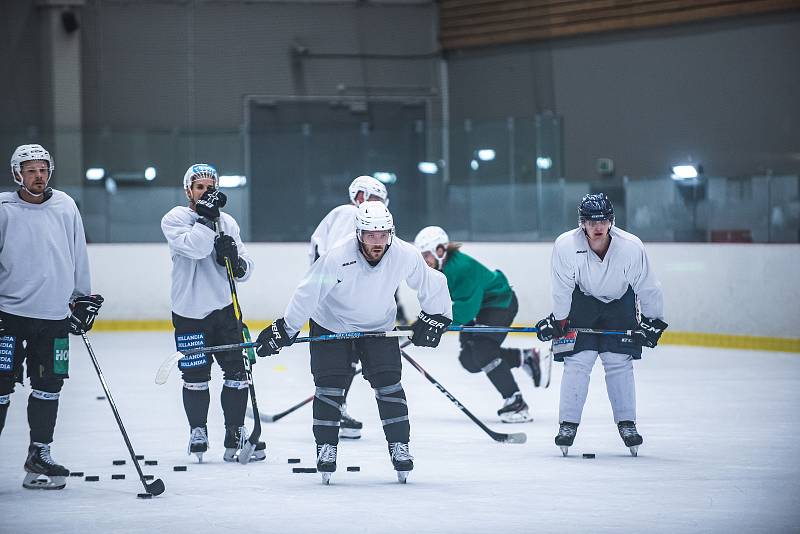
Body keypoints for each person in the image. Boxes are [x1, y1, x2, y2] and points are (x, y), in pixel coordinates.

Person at [256, 201, 452, 484]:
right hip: (331, 324)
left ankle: (400, 448)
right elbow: (308, 291)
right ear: (358, 233)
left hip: (378, 326)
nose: (378, 241)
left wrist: (436, 316)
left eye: (383, 234)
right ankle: (326, 447)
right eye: (371, 235)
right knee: (329, 388)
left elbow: (432, 282)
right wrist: (286, 328)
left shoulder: (403, 254)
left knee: (390, 386)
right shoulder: (337, 257)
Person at [0, 144, 103, 490]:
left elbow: (77, 253)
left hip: (54, 315)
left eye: (42, 169)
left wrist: (82, 298)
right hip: (8, 315)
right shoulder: (2, 208)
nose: (38, 176)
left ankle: (39, 456)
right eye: (30, 170)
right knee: (0, 387)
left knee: (49, 386)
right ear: (18, 174)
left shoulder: (65, 205)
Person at [535, 193, 667, 456]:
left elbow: (648, 287)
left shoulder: (631, 247)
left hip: (620, 302)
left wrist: (653, 321)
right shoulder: (565, 245)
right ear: (582, 223)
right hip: (581, 302)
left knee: (618, 361)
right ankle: (568, 424)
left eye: (604, 221)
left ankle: (627, 423)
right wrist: (559, 319)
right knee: (577, 360)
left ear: (611, 221)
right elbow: (561, 289)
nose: (598, 227)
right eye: (592, 222)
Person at [161, 163, 264, 463]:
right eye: (199, 188)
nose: (206, 192)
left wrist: (235, 260)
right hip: (189, 312)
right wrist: (206, 219)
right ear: (188, 191)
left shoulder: (228, 222)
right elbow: (194, 249)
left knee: (237, 374)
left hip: (225, 311)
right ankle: (198, 431)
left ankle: (235, 432)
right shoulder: (176, 218)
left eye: (210, 187)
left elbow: (244, 269)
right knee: (195, 376)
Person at [414, 226, 546, 423]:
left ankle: (516, 402)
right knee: (469, 359)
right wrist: (424, 321)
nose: (424, 260)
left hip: (500, 303)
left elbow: (466, 310)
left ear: (440, 250)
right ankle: (524, 358)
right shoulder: (439, 269)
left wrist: (436, 324)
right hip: (481, 306)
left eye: (426, 255)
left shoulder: (461, 268)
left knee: (483, 351)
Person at [308, 175, 397, 440]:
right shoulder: (349, 215)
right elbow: (338, 261)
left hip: (339, 304)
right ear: (359, 198)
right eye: (375, 200)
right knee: (339, 366)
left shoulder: (348, 218)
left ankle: (336, 411)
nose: (379, 207)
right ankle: (334, 413)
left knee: (345, 363)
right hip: (338, 306)